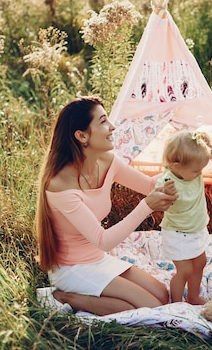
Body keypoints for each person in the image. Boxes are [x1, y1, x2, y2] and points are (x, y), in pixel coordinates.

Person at [35, 96, 179, 315]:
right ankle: (61, 296)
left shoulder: (107, 161)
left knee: (162, 295)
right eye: (103, 121)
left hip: (98, 260)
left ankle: (92, 297)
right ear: (82, 136)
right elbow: (103, 241)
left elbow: (150, 185)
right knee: (153, 307)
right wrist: (146, 207)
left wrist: (186, 165)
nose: (112, 127)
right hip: (73, 269)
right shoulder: (60, 185)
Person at [157, 103, 212, 304]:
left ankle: (193, 296)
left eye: (201, 170)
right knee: (185, 269)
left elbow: (211, 138)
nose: (199, 174)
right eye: (196, 171)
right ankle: (175, 302)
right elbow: (156, 199)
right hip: (177, 234)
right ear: (175, 166)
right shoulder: (168, 181)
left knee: (200, 263)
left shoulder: (192, 167)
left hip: (196, 229)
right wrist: (166, 194)